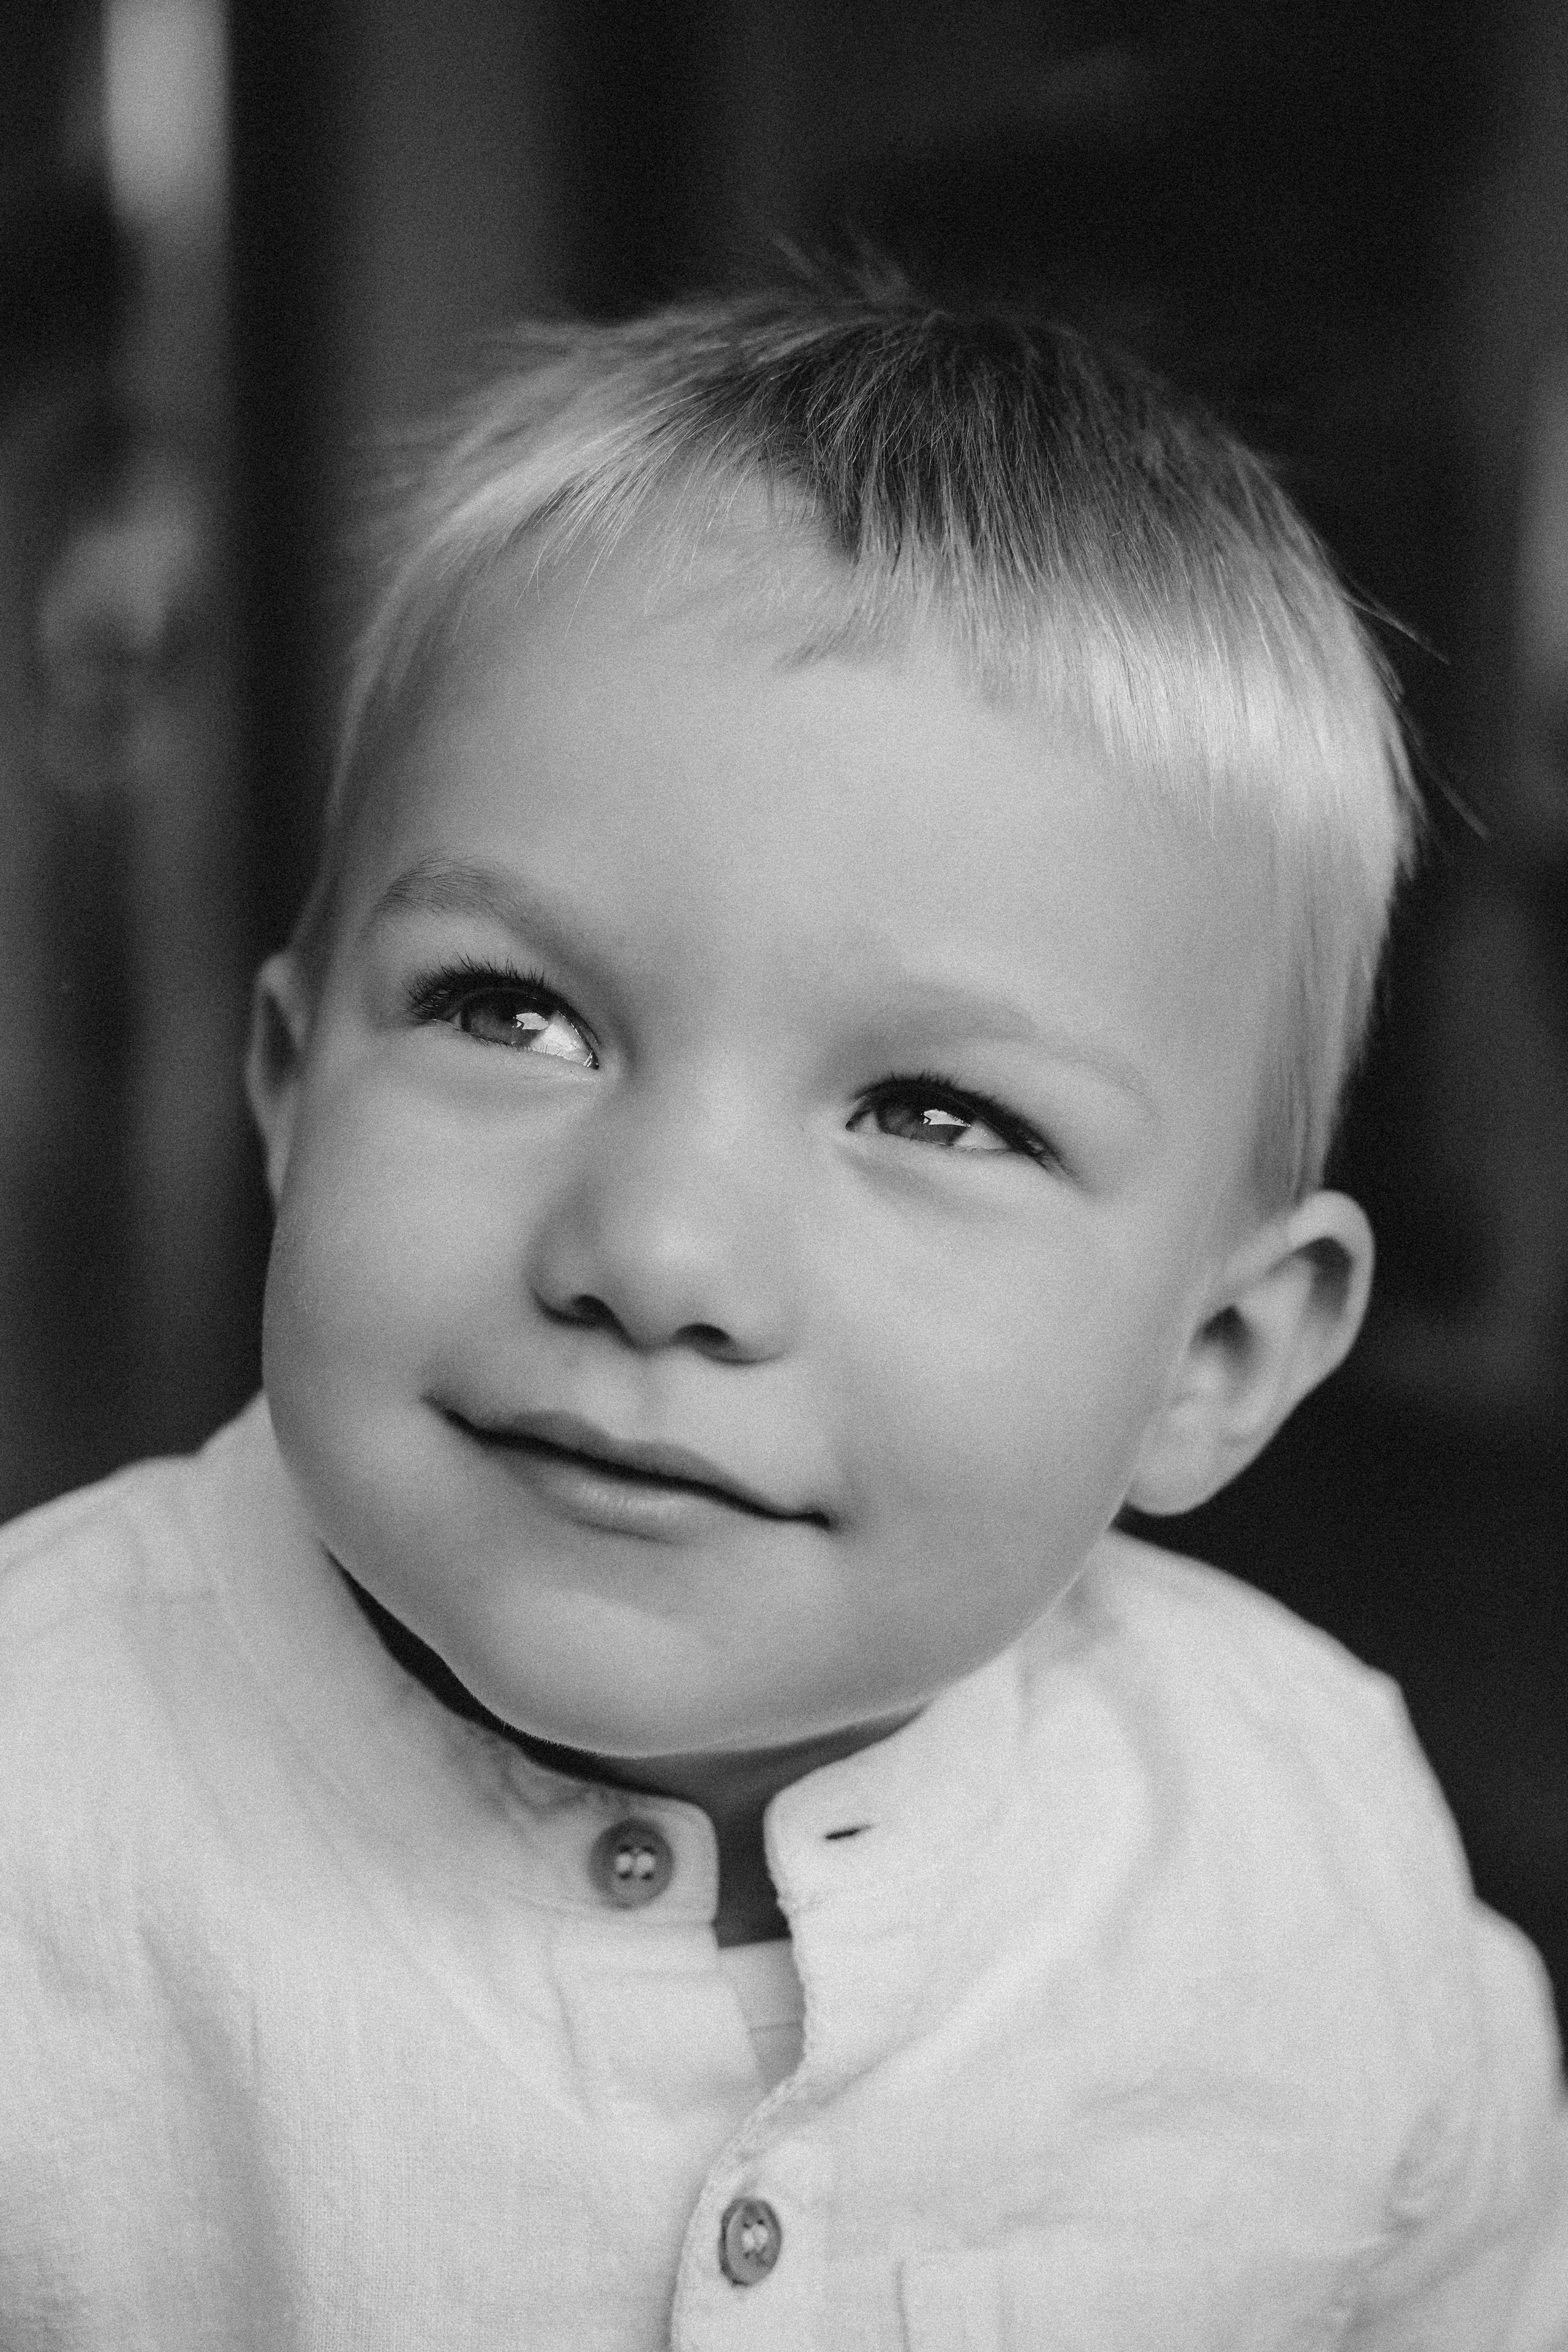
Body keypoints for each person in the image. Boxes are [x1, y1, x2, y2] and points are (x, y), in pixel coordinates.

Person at [2, 278, 1564, 2350]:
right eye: (512, 1010)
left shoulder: (1311, 1862)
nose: (657, 1254)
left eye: (936, 1111)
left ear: (1218, 1362)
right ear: (292, 1089)